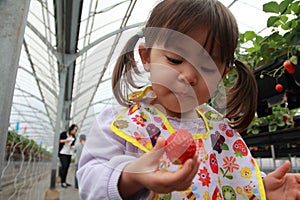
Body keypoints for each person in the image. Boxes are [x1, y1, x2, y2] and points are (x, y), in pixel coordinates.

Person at [77, 0, 300, 199]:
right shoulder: (123, 121)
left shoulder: (218, 128)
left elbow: (233, 175)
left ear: (222, 75)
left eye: (206, 68)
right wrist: (132, 177)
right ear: (146, 57)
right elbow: (90, 180)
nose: (189, 76)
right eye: (174, 60)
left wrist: (262, 189)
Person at [58, 123, 77, 188]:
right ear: (71, 129)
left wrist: (73, 146)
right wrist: (66, 140)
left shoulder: (74, 137)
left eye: (76, 130)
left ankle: (64, 181)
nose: (75, 131)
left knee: (66, 168)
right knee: (64, 166)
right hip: (62, 152)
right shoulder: (63, 134)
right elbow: (59, 141)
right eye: (74, 129)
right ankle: (62, 182)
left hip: (69, 153)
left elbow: (72, 145)